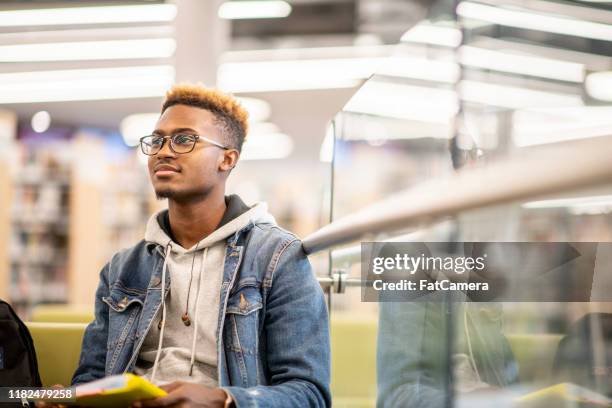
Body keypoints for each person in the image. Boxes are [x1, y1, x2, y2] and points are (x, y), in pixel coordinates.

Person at [70, 84, 331, 407]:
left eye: (184, 139)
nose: (163, 151)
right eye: (157, 140)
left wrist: (222, 399)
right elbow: (91, 379)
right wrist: (64, 398)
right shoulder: (124, 267)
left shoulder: (277, 258)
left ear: (227, 159)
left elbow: (309, 394)